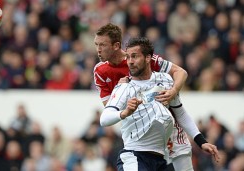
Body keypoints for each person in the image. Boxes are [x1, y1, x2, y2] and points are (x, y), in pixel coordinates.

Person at [93, 25, 219, 170]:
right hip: (139, 135)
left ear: (116, 45)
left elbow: (181, 73)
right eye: (96, 44)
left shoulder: (161, 75)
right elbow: (109, 110)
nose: (98, 49)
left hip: (170, 130)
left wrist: (173, 91)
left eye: (102, 44)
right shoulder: (108, 76)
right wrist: (125, 105)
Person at [100, 37, 177, 170]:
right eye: (128, 57)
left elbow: (180, 112)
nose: (130, 62)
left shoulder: (165, 80)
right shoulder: (124, 86)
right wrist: (124, 113)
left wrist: (200, 140)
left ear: (148, 58)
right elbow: (104, 118)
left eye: (134, 57)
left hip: (161, 158)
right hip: (134, 156)